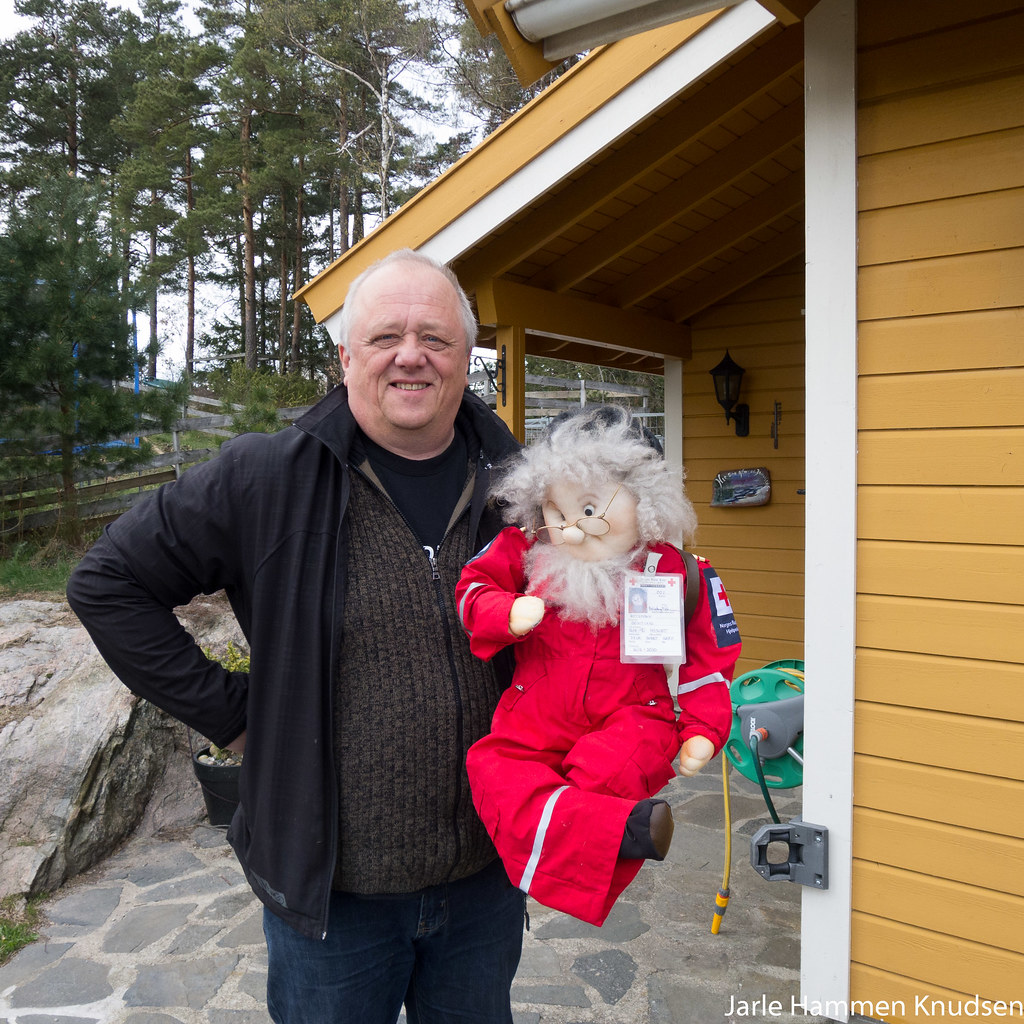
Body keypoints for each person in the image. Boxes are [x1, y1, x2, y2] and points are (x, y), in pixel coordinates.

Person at [66, 248, 525, 1024]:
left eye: (435, 339)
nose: (410, 355)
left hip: (486, 883)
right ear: (346, 357)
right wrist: (237, 716)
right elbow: (106, 583)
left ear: (466, 356)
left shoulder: (525, 483)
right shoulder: (267, 475)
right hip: (333, 908)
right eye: (385, 337)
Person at [455, 406, 741, 926]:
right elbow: (471, 591)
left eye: (589, 510)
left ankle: (594, 836)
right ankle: (621, 833)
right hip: (535, 711)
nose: (570, 531)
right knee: (490, 767)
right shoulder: (524, 550)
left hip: (635, 713)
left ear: (646, 502)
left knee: (605, 770)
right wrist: (506, 612)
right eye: (556, 513)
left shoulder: (677, 572)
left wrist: (703, 727)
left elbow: (707, 660)